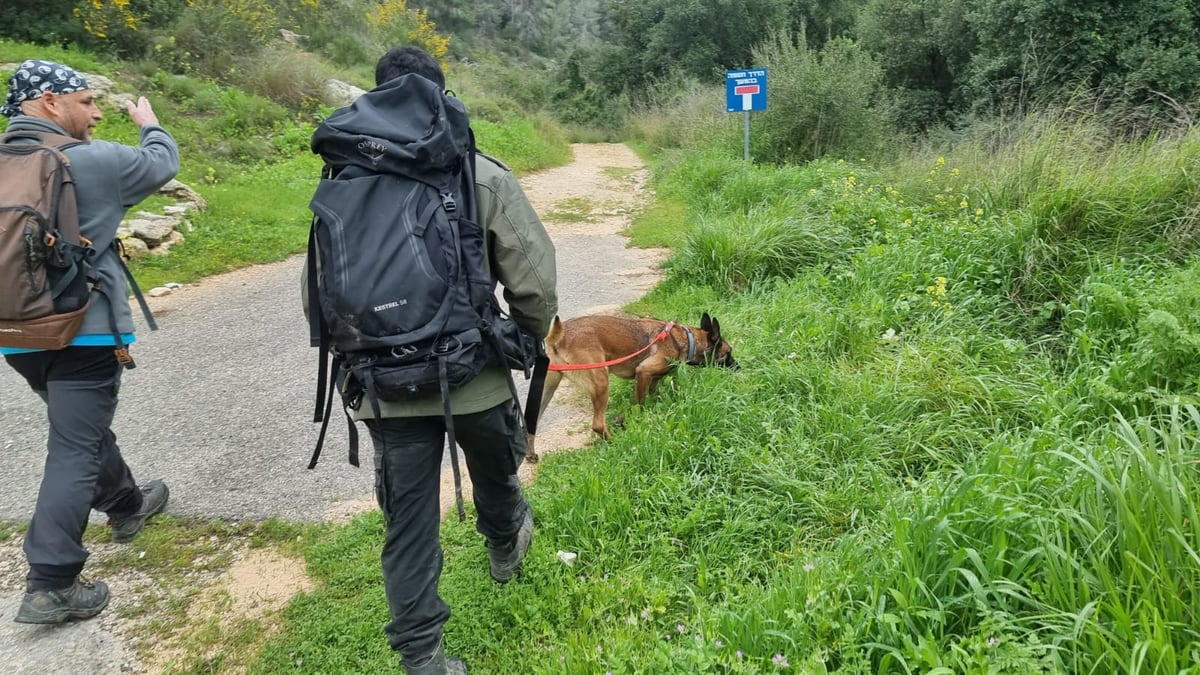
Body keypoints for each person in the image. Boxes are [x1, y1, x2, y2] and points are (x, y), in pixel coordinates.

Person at [303, 47, 558, 674]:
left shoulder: (344, 181)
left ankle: (422, 657)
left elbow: (322, 290)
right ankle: (505, 548)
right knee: (497, 470)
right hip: (472, 374)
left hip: (382, 387)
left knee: (408, 518)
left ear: (376, 95)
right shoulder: (477, 173)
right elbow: (536, 285)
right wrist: (520, 341)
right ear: (442, 95)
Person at [1, 60, 177, 624]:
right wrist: (149, 121)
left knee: (79, 427)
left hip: (16, 334)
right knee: (74, 445)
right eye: (85, 100)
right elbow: (162, 163)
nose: (96, 111)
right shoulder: (94, 160)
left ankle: (126, 503)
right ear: (49, 102)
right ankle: (51, 581)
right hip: (84, 330)